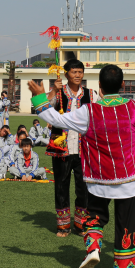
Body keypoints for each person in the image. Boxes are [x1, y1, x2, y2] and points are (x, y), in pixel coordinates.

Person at [29, 65, 135, 268]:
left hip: (99, 178)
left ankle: (93, 248)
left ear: (99, 86)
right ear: (122, 86)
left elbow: (56, 119)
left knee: (95, 216)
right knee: (126, 226)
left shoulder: (88, 111)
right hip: (130, 179)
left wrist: (38, 97)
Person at [44, 58, 96, 237]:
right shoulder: (58, 93)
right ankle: (63, 226)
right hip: (61, 147)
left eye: (80, 72)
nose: (77, 75)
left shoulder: (91, 94)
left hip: (85, 148)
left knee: (84, 187)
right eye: (74, 72)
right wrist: (53, 91)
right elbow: (43, 108)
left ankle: (80, 224)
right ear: (66, 74)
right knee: (61, 185)